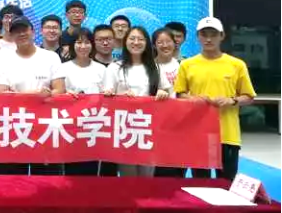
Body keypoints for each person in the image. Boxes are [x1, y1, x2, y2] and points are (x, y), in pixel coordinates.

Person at [174, 17, 256, 180]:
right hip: (198, 133)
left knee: (226, 182)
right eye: (204, 35)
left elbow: (249, 97)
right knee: (200, 183)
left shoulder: (237, 65)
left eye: (213, 34)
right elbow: (179, 94)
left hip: (227, 134)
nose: (209, 39)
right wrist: (193, 99)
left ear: (222, 36)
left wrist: (232, 101)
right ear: (198, 37)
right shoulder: (187, 65)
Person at [0, 16, 65, 175]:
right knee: (13, 180)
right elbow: (2, 94)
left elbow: (60, 90)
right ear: (11, 36)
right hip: (14, 125)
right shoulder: (4, 60)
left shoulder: (50, 57)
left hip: (45, 126)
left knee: (46, 181)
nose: (21, 34)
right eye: (16, 31)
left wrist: (42, 95)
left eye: (24, 30)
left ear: (33, 32)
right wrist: (36, 95)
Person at [103, 26, 171, 177]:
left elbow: (166, 93)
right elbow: (106, 97)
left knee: (147, 176)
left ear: (147, 43)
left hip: (149, 128)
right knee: (128, 176)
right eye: (132, 38)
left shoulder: (156, 67)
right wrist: (120, 96)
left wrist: (162, 93)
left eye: (140, 39)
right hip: (124, 129)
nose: (136, 42)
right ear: (125, 42)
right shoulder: (114, 67)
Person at [61, 28, 105, 176]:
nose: (83, 46)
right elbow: (58, 94)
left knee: (91, 170)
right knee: (70, 170)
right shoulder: (63, 68)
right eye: (79, 42)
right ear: (72, 45)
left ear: (92, 45)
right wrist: (65, 95)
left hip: (94, 127)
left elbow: (107, 97)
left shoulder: (101, 69)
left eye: (87, 42)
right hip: (70, 126)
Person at [152, 28, 185, 178]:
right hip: (158, 125)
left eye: (168, 41)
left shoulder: (184, 65)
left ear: (175, 43)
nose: (165, 45)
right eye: (160, 42)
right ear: (154, 45)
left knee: (179, 167)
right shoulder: (150, 67)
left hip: (181, 124)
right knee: (160, 168)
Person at [92, 24, 119, 176]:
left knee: (110, 173)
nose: (105, 42)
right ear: (94, 42)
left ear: (115, 41)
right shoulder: (87, 65)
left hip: (115, 127)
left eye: (109, 39)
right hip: (90, 126)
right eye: (100, 39)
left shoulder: (121, 66)